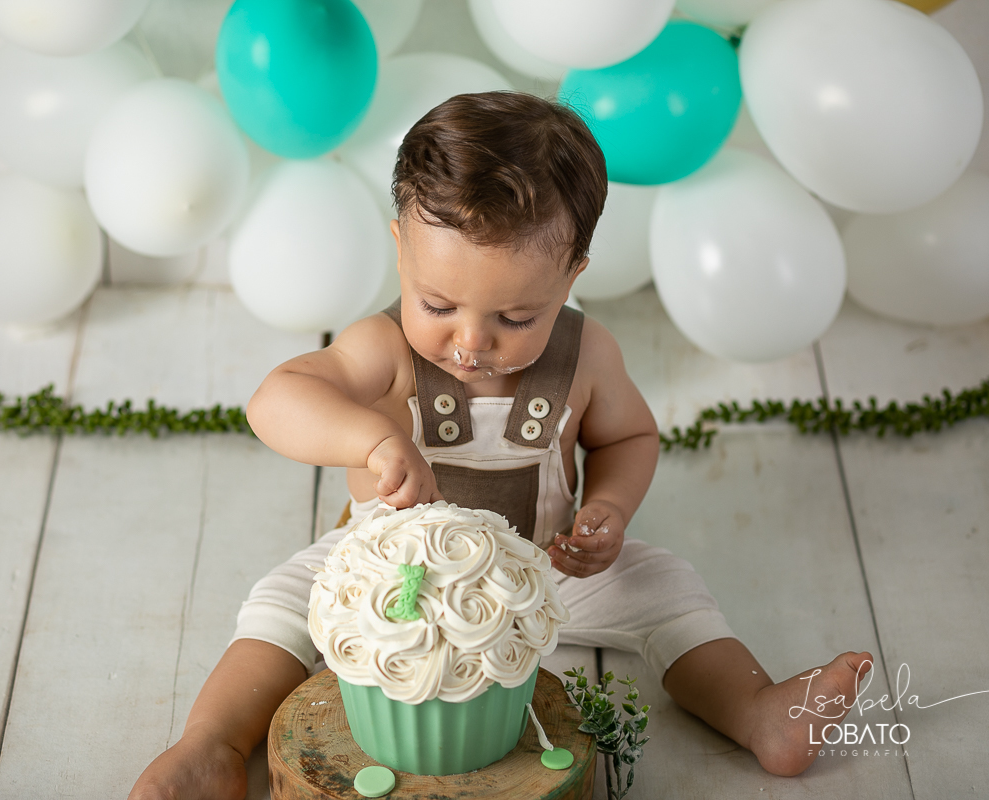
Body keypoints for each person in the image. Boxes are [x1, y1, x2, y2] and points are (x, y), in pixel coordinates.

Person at [129, 91, 872, 800]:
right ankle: (213, 746)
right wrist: (374, 437)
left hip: (547, 567)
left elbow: (631, 435)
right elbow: (275, 400)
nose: (471, 342)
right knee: (285, 602)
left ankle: (758, 710)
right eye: (438, 305)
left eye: (516, 316)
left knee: (668, 589)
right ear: (400, 252)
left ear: (572, 274)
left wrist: (608, 506)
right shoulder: (383, 349)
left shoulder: (587, 356)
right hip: (393, 580)